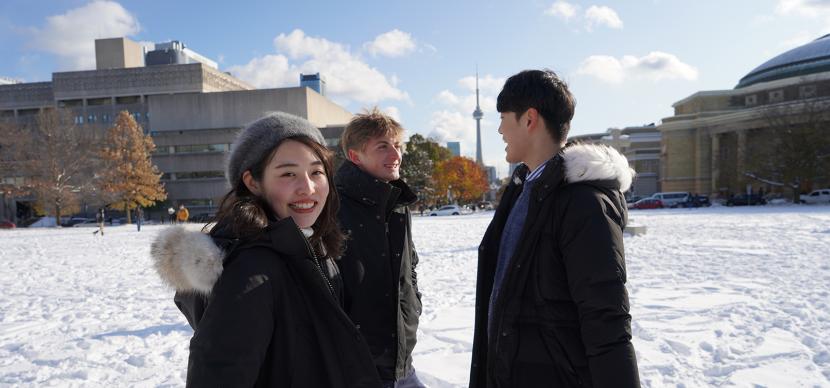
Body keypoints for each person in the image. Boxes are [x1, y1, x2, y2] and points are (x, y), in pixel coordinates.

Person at [151, 112, 382, 387]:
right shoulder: (251, 269)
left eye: (316, 172)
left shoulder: (312, 246)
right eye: (288, 173)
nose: (307, 187)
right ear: (253, 182)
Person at [469, 69, 640, 388]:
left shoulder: (583, 204)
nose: (500, 129)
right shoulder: (521, 191)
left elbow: (606, 320)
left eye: (504, 117)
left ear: (529, 119)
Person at [335, 108, 424, 388]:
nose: (396, 156)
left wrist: (412, 309)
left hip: (401, 359)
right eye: (383, 147)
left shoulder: (396, 201)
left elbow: (410, 268)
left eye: (398, 146)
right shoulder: (332, 205)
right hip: (357, 365)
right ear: (355, 156)